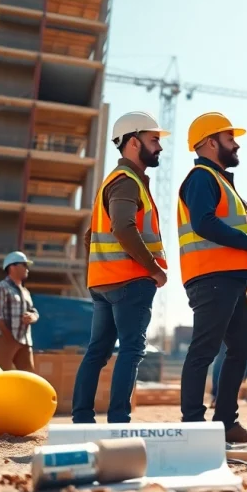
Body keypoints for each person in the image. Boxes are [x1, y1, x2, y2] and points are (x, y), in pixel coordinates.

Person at [73, 111, 168, 424]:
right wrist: (153, 268)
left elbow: (90, 237)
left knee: (97, 351)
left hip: (104, 283)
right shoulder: (127, 182)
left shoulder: (112, 183)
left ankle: (82, 420)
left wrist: (102, 268)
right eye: (153, 140)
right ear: (132, 142)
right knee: (131, 349)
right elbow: (124, 228)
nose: (159, 147)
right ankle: (118, 421)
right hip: (130, 282)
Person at [177, 111, 247, 443]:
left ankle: (226, 423)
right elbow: (203, 222)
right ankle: (193, 425)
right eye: (230, 139)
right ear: (211, 142)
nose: (236, 144)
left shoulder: (218, 179)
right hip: (211, 276)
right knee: (204, 349)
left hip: (229, 278)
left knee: (242, 345)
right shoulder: (201, 177)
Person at [211, 262, 247, 407]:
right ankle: (218, 396)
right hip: (229, 311)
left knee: (246, 355)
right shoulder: (226, 259)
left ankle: (234, 395)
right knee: (224, 354)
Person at [0, 251, 39, 372]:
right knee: (2, 375)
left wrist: (32, 317)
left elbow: (34, 311)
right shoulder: (0, 288)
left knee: (29, 377)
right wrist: (9, 338)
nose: (27, 268)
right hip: (5, 338)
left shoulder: (25, 292)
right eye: (24, 265)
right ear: (12, 267)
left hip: (24, 341)